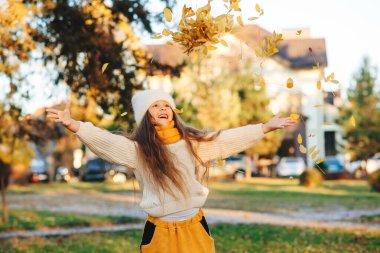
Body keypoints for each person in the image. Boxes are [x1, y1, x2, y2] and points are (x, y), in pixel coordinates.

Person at [46, 89, 297, 253]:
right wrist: (74, 125)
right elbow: (107, 142)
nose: (163, 108)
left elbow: (226, 139)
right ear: (146, 115)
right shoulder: (138, 150)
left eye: (166, 104)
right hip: (160, 233)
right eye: (155, 106)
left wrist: (264, 128)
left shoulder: (192, 143)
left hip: (195, 228)